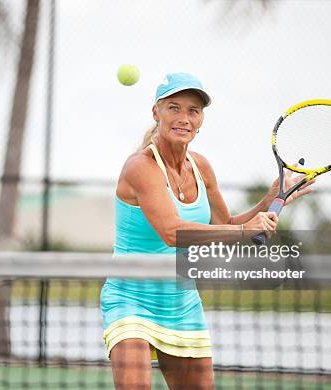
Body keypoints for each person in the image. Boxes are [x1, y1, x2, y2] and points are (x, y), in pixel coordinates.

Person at [100, 72, 314, 389]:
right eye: (174, 107)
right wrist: (245, 232)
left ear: (201, 120)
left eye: (193, 110)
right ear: (156, 112)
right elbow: (173, 233)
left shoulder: (201, 166)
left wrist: (270, 199)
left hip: (182, 302)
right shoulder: (140, 167)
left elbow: (225, 226)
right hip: (131, 300)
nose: (184, 118)